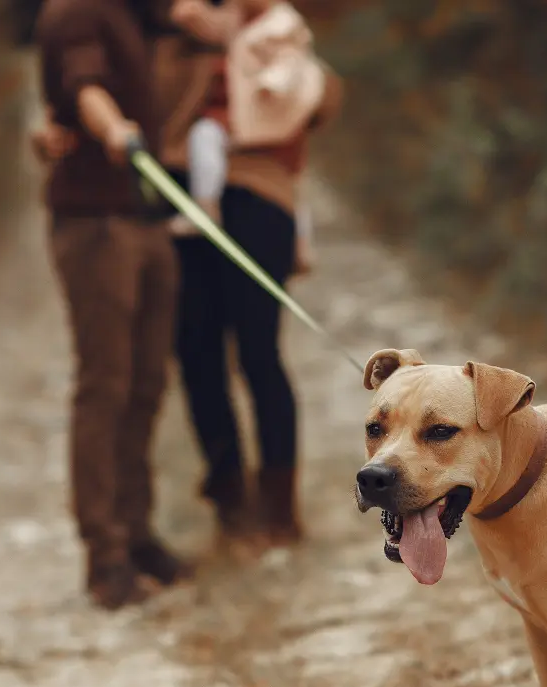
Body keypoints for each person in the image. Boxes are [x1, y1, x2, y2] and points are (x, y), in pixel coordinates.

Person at [33, 1, 343, 559]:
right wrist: (64, 125)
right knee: (196, 357)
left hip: (256, 194)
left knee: (258, 350)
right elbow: (98, 90)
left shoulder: (267, 28)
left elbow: (319, 95)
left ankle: (278, 506)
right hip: (172, 202)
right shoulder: (154, 31)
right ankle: (229, 500)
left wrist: (254, 66)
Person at [34, 0, 195, 609]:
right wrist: (113, 131)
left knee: (148, 381)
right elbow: (85, 85)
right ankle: (104, 556)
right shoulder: (77, 11)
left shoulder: (134, 12)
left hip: (142, 218)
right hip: (96, 224)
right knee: (106, 384)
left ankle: (135, 531)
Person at [163, 0, 324, 275]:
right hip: (206, 158)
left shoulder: (277, 23)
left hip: (259, 156)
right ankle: (206, 206)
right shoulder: (231, 21)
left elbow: (295, 64)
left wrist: (273, 85)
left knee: (293, 182)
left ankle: (300, 243)